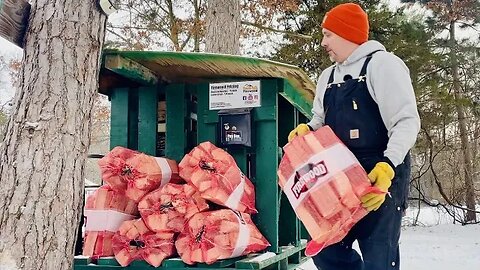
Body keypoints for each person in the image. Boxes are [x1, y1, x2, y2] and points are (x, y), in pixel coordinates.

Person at [287, 3, 420, 270]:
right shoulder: (328, 76)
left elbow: (406, 122)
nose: (323, 42)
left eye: (328, 35)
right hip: (338, 176)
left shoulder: (383, 65)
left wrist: (388, 167)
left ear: (346, 33)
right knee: (326, 250)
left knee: (378, 258)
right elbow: (320, 119)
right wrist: (309, 129)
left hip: (379, 174)